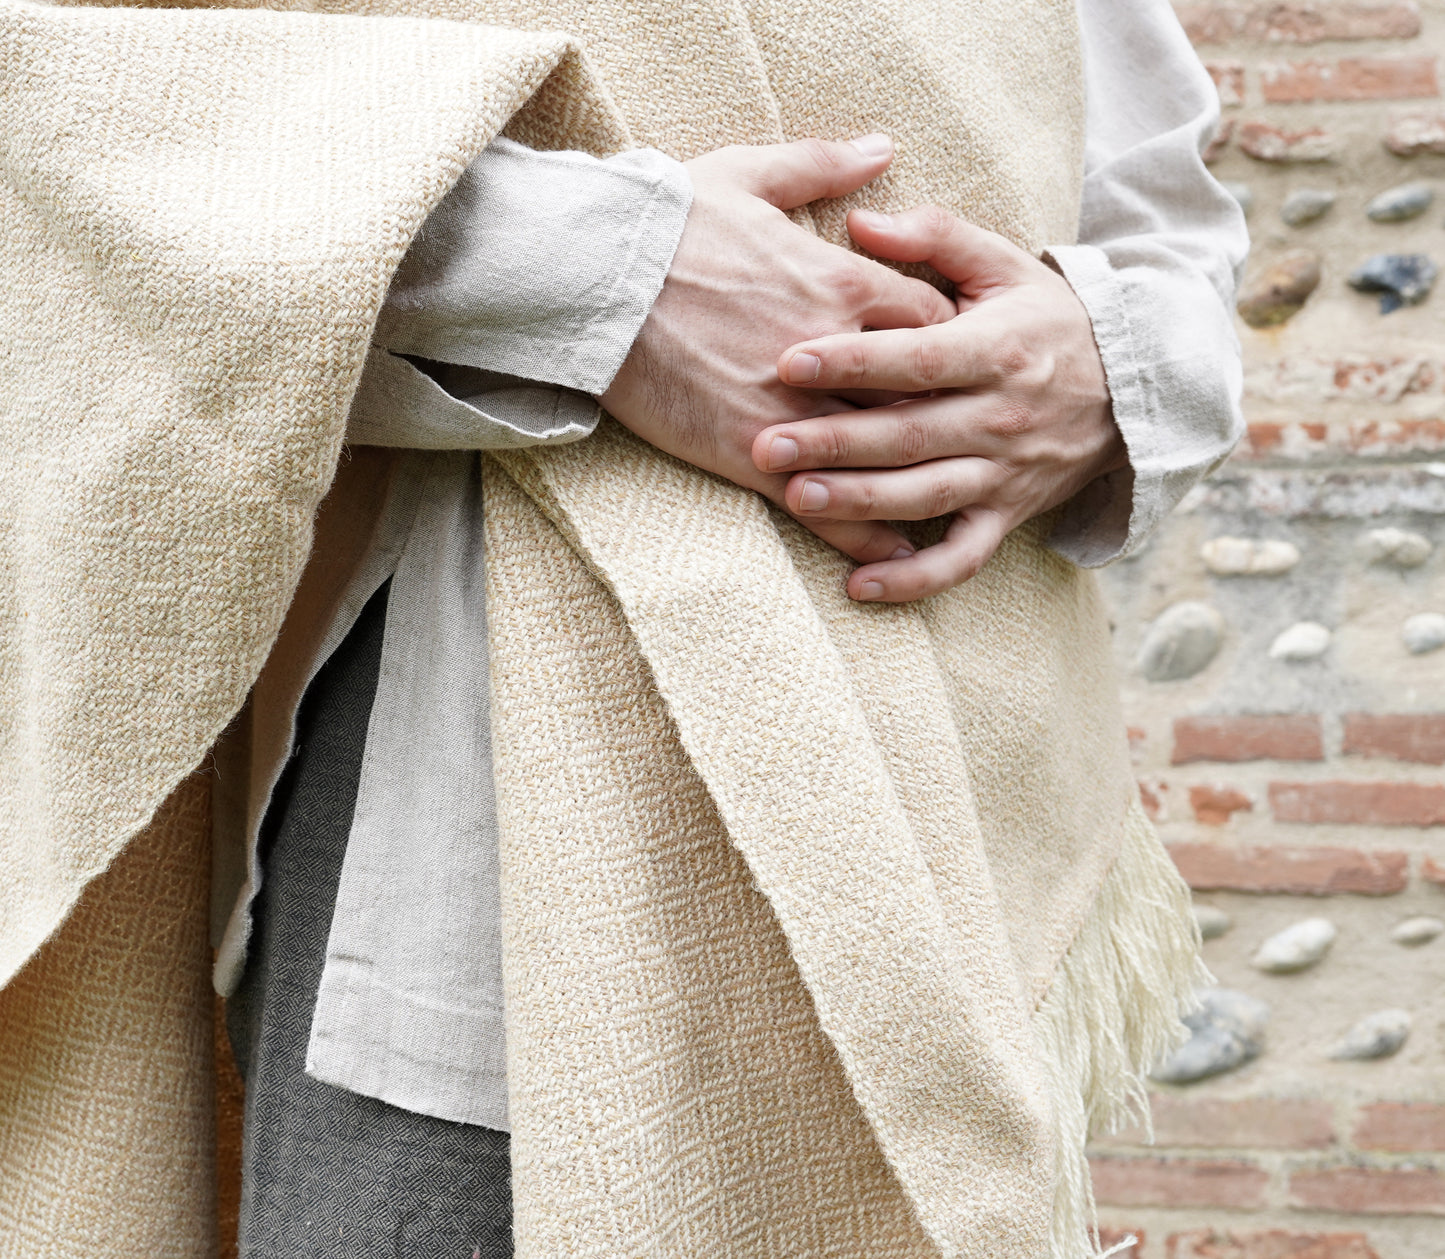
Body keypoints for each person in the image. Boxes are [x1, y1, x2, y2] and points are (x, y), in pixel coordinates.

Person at [0, 0, 1244, 1254]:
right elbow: (59, 116)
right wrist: (601, 273)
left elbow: (1158, 207)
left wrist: (1098, 366)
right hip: (486, 800)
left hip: (976, 784)